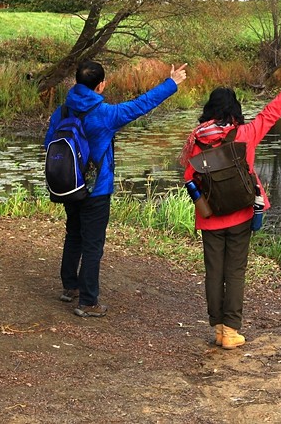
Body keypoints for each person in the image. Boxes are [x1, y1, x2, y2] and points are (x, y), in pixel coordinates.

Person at [45, 60, 188, 317]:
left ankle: (70, 288)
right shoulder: (106, 114)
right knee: (93, 244)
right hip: (96, 190)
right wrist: (172, 83)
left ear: (76, 82)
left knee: (74, 234)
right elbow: (141, 105)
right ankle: (88, 302)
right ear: (102, 85)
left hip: (69, 186)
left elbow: (49, 144)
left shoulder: (62, 111)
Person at [180, 64, 281, 349]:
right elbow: (271, 113)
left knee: (214, 271)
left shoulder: (196, 138)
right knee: (235, 271)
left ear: (209, 109)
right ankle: (231, 330)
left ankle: (217, 328)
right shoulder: (245, 134)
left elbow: (189, 177)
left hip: (210, 217)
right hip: (240, 213)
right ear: (235, 110)